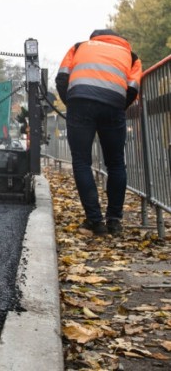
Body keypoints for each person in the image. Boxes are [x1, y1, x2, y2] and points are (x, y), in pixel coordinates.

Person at [55, 29, 142, 236]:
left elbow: (62, 78)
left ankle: (95, 221)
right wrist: (118, 106)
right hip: (113, 105)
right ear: (121, 40)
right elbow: (132, 88)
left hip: (80, 102)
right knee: (116, 163)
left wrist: (72, 104)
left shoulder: (79, 47)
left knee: (81, 161)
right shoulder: (132, 57)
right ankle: (114, 221)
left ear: (95, 38)